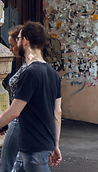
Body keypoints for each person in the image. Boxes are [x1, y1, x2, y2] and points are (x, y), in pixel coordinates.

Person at [0, 21, 62, 171]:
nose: (17, 42)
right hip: (44, 143)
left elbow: (15, 111)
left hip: (34, 145)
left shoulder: (30, 73)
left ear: (25, 40)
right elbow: (57, 112)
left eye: (19, 39)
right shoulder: (52, 73)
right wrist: (55, 144)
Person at [0, 25, 27, 172]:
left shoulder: (28, 70)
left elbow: (17, 109)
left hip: (20, 122)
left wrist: (3, 122)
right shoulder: (31, 67)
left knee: (8, 165)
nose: (10, 49)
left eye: (12, 45)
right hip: (27, 123)